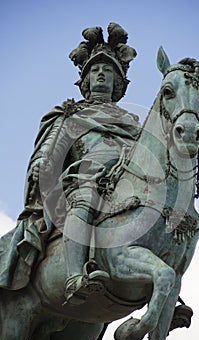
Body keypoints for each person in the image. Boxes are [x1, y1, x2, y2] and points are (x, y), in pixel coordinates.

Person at [0, 23, 140, 303]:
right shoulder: (68, 115)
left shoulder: (135, 124)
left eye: (108, 71)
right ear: (86, 81)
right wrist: (41, 164)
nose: (101, 74)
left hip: (123, 183)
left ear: (118, 82)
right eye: (95, 71)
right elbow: (49, 153)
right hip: (82, 182)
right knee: (86, 197)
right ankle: (76, 276)